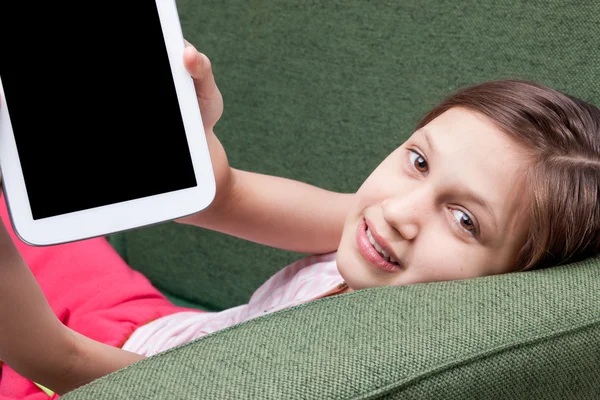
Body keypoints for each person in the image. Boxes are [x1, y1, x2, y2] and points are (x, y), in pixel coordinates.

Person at [0, 41, 599, 398]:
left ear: (516, 278)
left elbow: (64, 363)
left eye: (465, 220)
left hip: (104, 376)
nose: (398, 212)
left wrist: (51, 352)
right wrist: (190, 147)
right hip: (150, 326)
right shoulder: (379, 237)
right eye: (418, 161)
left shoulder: (348, 357)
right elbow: (220, 198)